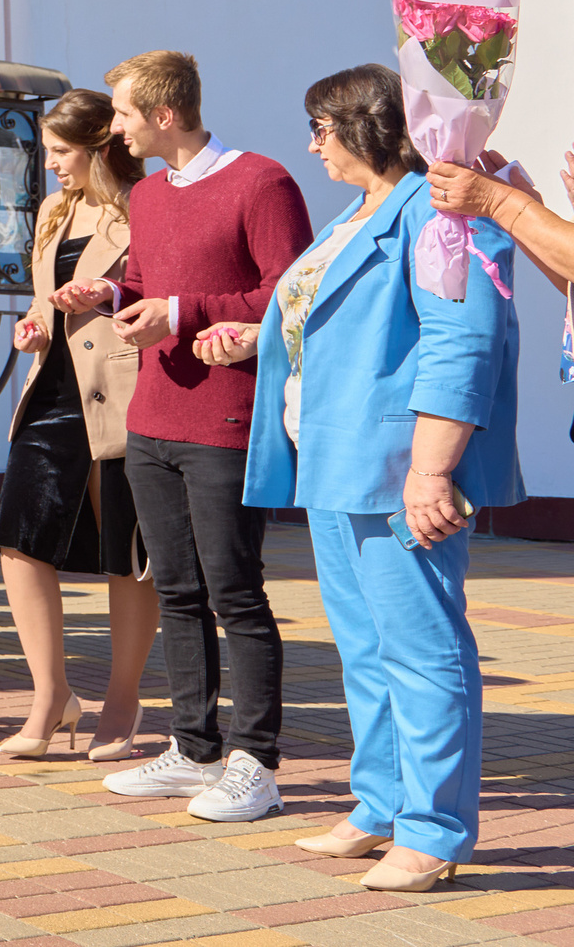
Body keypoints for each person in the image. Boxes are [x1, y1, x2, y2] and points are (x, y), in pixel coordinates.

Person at [200, 65, 520, 885]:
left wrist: (432, 468)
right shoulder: (356, 213)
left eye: (321, 127)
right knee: (364, 650)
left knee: (422, 650)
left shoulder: (442, 210)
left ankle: (436, 828)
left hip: (396, 468)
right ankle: (380, 803)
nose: (311, 144)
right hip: (333, 462)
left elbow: (462, 341)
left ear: (363, 125)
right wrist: (257, 339)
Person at [55, 51, 312, 820]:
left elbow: (287, 292)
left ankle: (256, 761)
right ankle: (195, 748)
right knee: (175, 591)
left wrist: (183, 311)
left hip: (225, 419)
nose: (118, 128)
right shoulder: (150, 194)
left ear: (165, 115)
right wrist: (108, 291)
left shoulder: (262, 182)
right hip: (152, 418)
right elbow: (150, 285)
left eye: (126, 114)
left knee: (236, 591)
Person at [0, 90, 157, 760]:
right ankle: (51, 693)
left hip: (119, 392)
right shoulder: (53, 210)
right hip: (52, 388)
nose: (51, 163)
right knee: (19, 540)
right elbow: (42, 297)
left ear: (98, 145)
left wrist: (109, 295)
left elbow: (159, 291)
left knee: (126, 555)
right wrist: (33, 325)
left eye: (61, 150)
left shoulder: (144, 207)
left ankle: (121, 700)